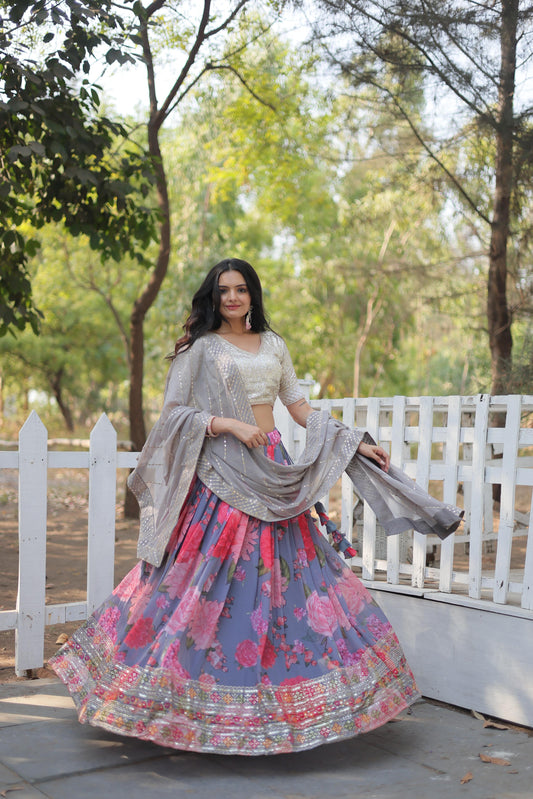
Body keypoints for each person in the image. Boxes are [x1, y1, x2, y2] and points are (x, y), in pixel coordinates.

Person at [50, 257, 462, 756]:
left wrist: (353, 444)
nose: (231, 298)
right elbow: (174, 414)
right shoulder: (200, 350)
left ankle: (285, 702)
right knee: (201, 579)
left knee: (295, 583)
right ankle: (165, 693)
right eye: (223, 290)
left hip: (272, 470)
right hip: (221, 474)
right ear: (213, 296)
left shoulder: (274, 346)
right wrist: (227, 425)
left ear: (253, 295)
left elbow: (299, 407)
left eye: (240, 289)